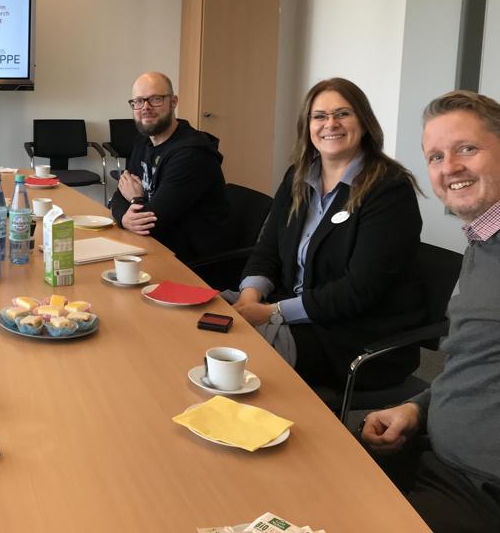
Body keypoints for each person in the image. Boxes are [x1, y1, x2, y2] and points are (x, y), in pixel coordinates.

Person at [361, 90, 500, 533]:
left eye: (467, 149)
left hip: (477, 487)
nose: (449, 168)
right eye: (436, 156)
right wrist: (417, 409)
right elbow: (474, 361)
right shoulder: (484, 239)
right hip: (431, 449)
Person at [227, 77, 424, 388]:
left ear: (363, 121)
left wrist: (271, 312)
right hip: (297, 313)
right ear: (308, 126)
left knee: (234, 359)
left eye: (343, 113)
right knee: (205, 321)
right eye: (319, 116)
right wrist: (249, 299)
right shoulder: (299, 176)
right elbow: (267, 248)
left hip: (354, 335)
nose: (330, 124)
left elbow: (360, 290)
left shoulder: (388, 189)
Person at [109, 71, 230, 262]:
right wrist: (125, 218)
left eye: (155, 99)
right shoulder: (144, 141)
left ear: (173, 102)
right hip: (153, 247)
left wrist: (135, 198)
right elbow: (118, 195)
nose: (145, 107)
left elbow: (150, 223)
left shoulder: (192, 154)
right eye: (138, 101)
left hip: (190, 262)